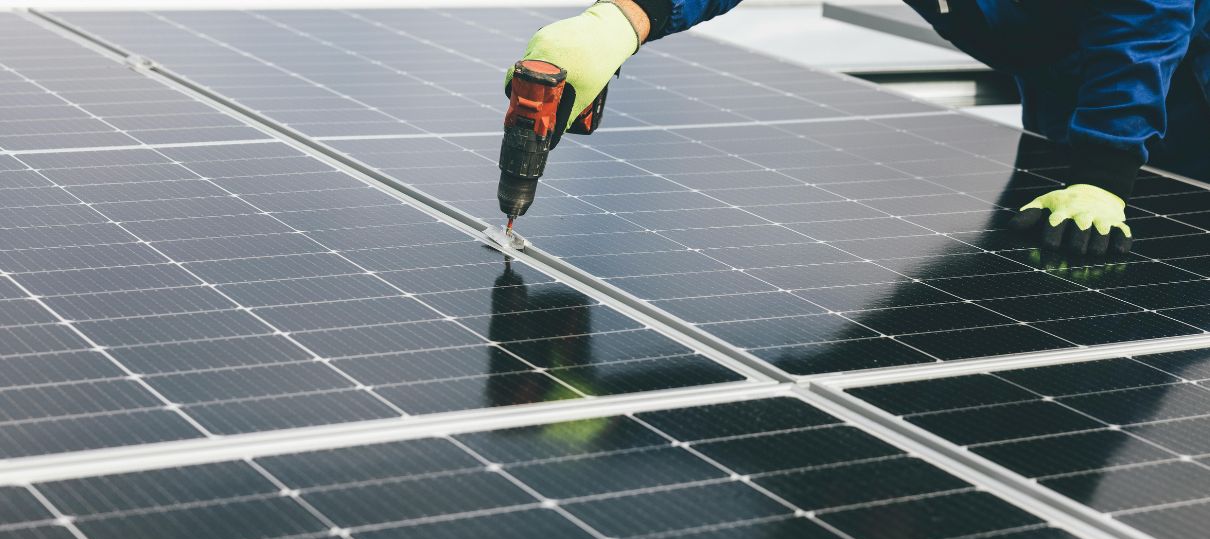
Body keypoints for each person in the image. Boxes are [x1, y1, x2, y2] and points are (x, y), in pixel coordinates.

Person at [506, 0, 1210, 257]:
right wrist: (626, 19)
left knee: (1141, 291)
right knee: (1029, 268)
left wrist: (1103, 170)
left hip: (1182, 95)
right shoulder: (827, 488)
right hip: (1057, 79)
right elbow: (767, 441)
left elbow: (1147, 15)